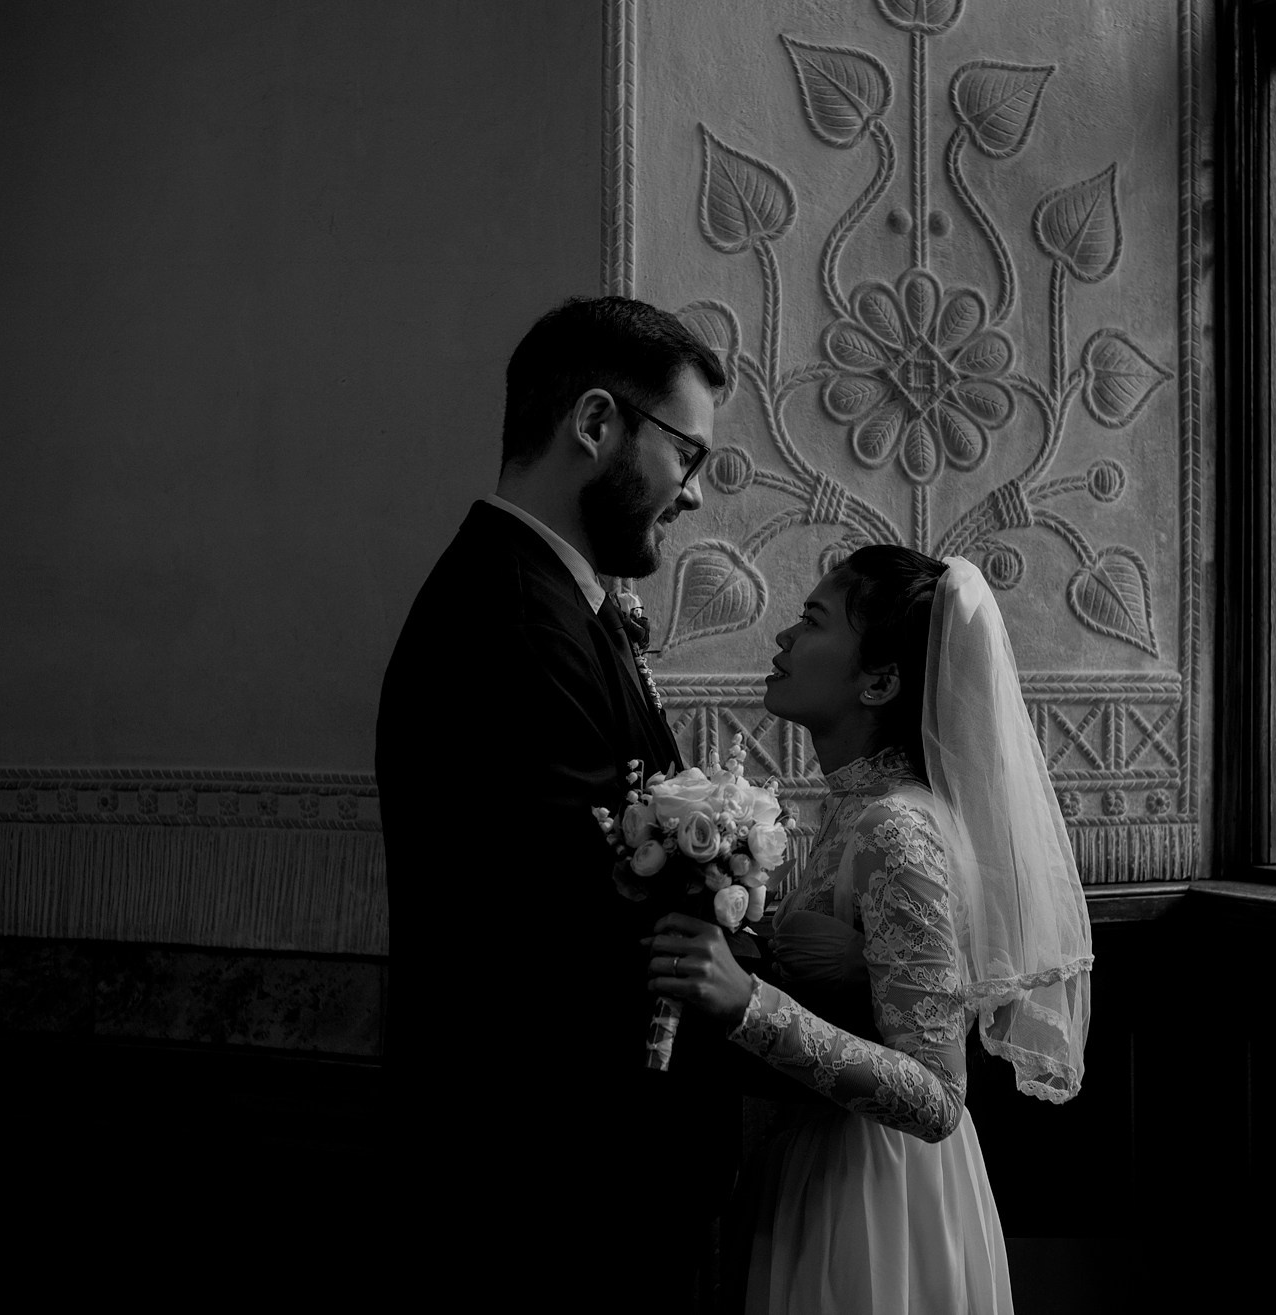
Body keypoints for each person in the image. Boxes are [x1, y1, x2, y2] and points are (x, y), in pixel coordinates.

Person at [375, 296, 732, 1303]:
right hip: (550, 1190)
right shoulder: (517, 625)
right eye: (688, 456)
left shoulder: (555, 603)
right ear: (594, 425)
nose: (694, 495)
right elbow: (581, 929)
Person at [645, 547, 1096, 1314]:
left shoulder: (896, 828)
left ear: (881, 680)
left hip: (879, 1201)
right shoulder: (857, 809)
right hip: (821, 1167)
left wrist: (746, 1002)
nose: (784, 637)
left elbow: (936, 1096)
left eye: (813, 620)